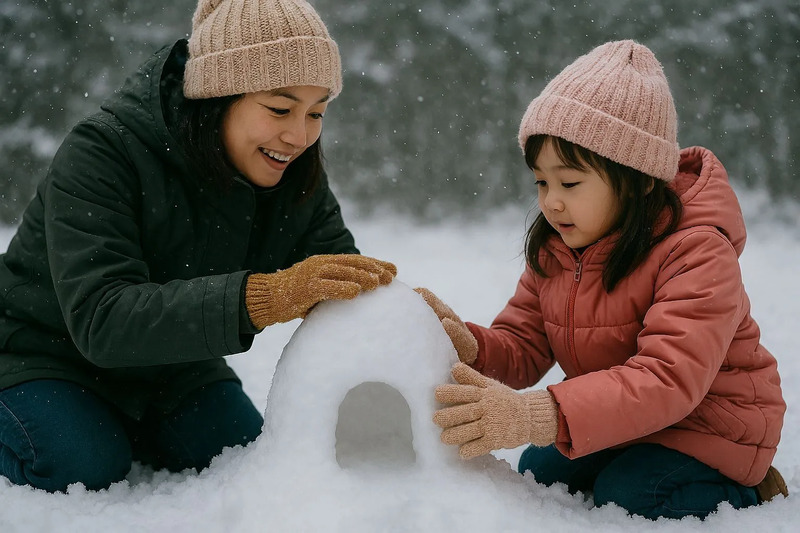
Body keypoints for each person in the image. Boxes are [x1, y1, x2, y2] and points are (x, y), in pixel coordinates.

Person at [0, 0, 396, 493]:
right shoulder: (101, 154)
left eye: (316, 112)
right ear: (218, 96)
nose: (299, 135)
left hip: (173, 367)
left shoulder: (291, 172)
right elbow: (102, 318)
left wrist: (411, 320)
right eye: (280, 108)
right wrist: (265, 298)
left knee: (243, 459)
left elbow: (341, 273)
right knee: (82, 464)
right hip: (42, 354)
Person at [417, 40, 787, 520]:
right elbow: (523, 345)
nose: (551, 201)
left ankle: (750, 491)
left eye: (570, 183)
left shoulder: (696, 252)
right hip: (624, 421)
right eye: (541, 182)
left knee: (630, 494)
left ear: (640, 180)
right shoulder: (557, 249)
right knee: (538, 471)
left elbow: (667, 379)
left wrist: (539, 414)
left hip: (712, 427)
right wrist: (467, 345)